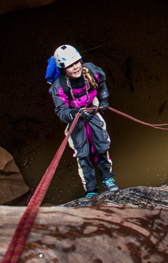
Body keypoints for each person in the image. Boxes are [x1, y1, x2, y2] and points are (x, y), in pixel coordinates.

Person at [49, 45, 119, 197]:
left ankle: (107, 178)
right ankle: (91, 189)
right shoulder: (59, 87)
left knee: (102, 145)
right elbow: (61, 112)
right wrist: (74, 114)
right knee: (83, 155)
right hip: (76, 120)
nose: (75, 67)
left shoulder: (92, 72)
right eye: (69, 65)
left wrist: (104, 101)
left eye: (76, 62)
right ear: (62, 68)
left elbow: (101, 85)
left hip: (92, 111)